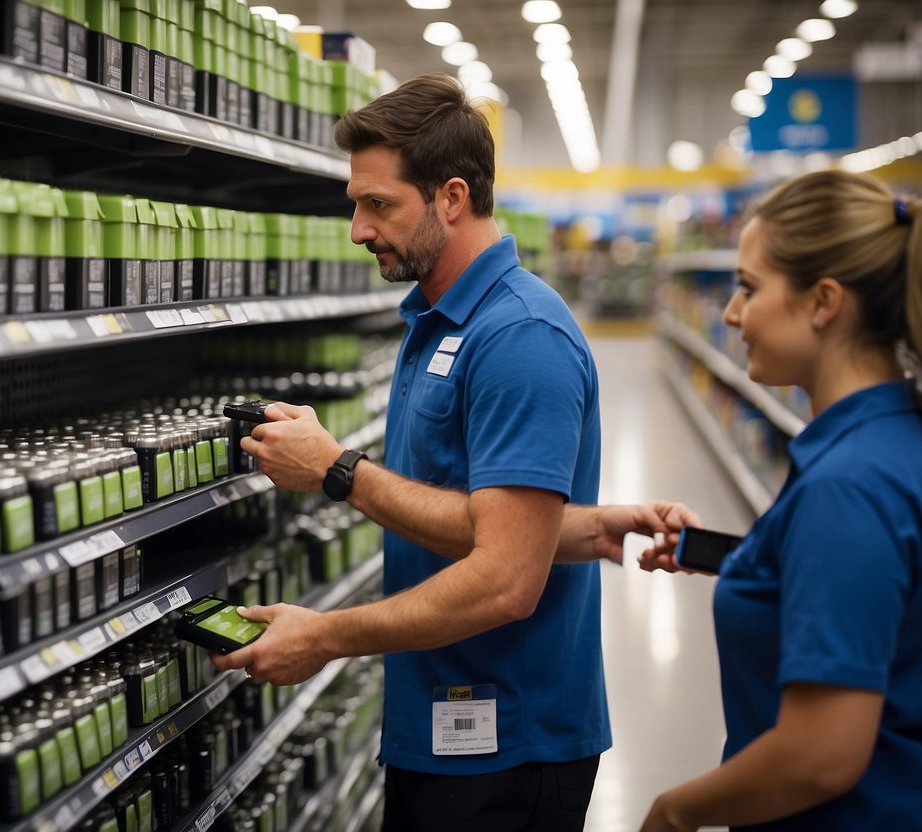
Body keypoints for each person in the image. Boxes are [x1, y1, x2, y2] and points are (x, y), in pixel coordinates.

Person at [208, 71, 694, 831]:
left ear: (452, 198)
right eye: (355, 204)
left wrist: (336, 493)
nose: (358, 229)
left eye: (379, 205)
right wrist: (593, 528)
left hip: (506, 746)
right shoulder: (438, 321)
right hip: (444, 726)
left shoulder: (517, 337)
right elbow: (492, 524)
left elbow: (504, 583)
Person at [639, 169, 922, 831]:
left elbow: (819, 757)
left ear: (823, 302)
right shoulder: (895, 441)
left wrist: (675, 810)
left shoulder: (850, 485)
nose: (728, 313)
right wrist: (756, 563)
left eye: (748, 288)